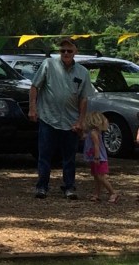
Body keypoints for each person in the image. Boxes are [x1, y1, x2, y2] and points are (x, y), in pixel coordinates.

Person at [29, 37, 95, 200]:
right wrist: (32, 108)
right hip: (48, 118)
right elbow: (34, 87)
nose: (65, 53)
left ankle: (69, 187)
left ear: (75, 52)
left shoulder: (82, 72)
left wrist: (81, 121)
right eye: (62, 50)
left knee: (69, 158)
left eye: (69, 50)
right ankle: (42, 187)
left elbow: (84, 98)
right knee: (44, 156)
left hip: (70, 121)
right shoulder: (48, 65)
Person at [81, 112, 119, 203]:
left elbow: (96, 145)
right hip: (95, 158)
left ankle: (113, 192)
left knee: (100, 176)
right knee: (96, 176)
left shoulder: (94, 133)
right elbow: (83, 137)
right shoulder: (93, 132)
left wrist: (97, 157)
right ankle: (96, 194)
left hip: (98, 158)